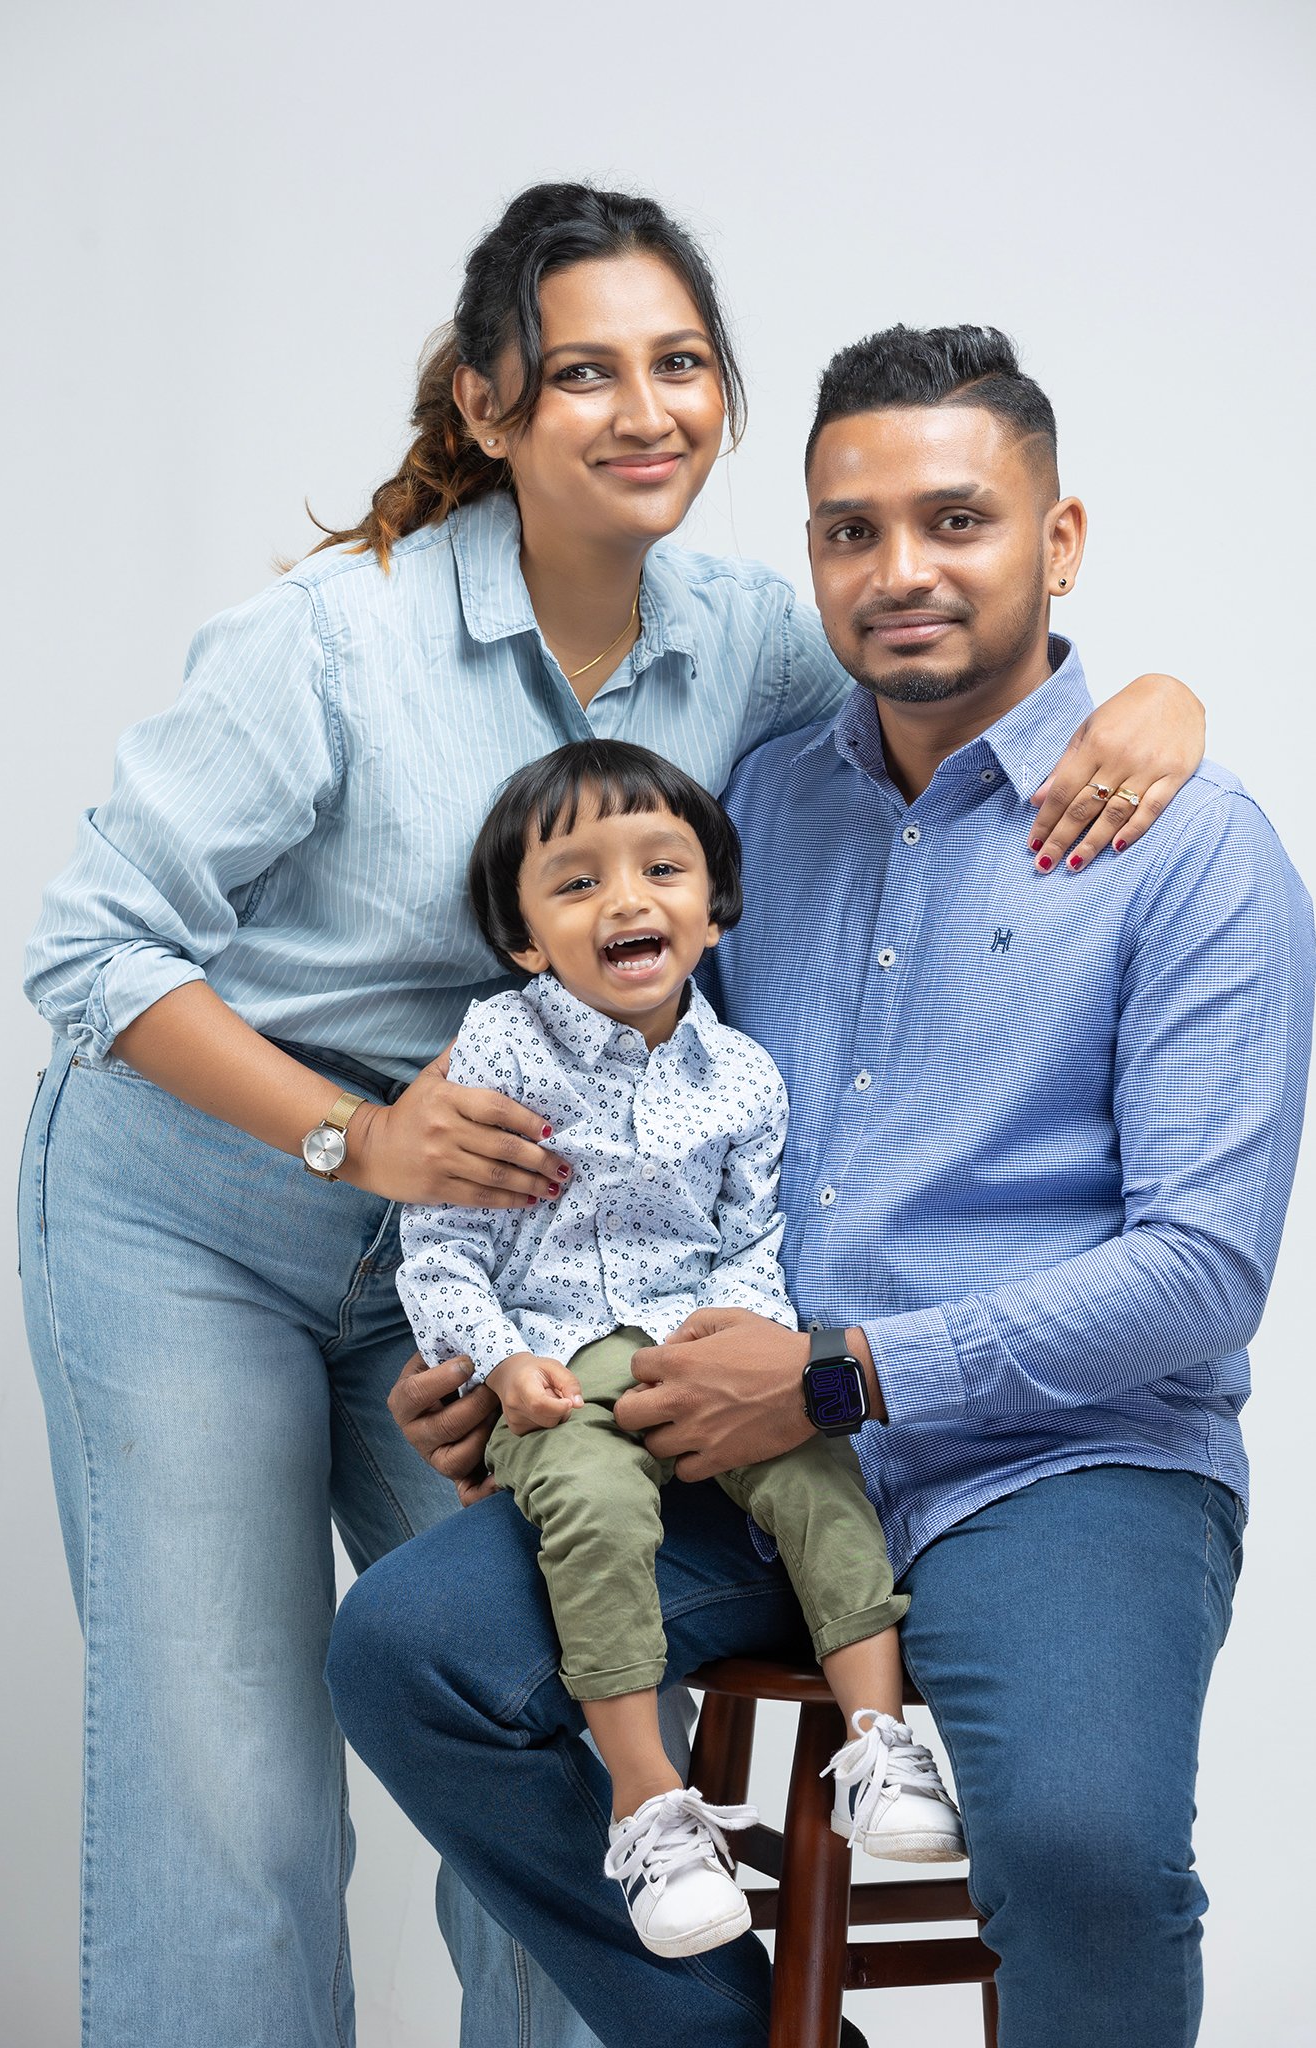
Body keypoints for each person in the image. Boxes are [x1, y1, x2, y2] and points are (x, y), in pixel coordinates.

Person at [19, 169, 1204, 2048]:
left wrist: (1157, 700)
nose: (645, 411)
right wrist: (358, 1142)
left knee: (576, 1716)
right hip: (213, 1208)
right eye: (583, 372)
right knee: (231, 1776)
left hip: (525, 1254)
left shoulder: (758, 638)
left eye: (681, 364)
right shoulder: (330, 640)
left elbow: (952, 679)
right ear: (487, 404)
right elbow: (90, 949)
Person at [325, 324, 1316, 2048]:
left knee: (1082, 1849)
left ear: (1061, 540)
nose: (899, 569)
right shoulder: (755, 815)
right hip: (733, 1434)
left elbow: (1201, 1273)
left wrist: (843, 1376)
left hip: (1061, 1460)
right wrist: (508, 1357)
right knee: (413, 1655)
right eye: (851, 531)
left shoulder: (1195, 848)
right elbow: (640, 1124)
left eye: (957, 521)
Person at [397, 736, 963, 1959]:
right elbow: (436, 1247)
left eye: (662, 867)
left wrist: (743, 1344)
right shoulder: (496, 1047)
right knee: (595, 1514)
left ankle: (882, 1747)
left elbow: (750, 1238)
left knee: (820, 1470)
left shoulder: (745, 1075)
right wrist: (498, 1362)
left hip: (702, 1350)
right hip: (551, 1362)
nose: (627, 899)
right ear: (525, 939)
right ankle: (650, 1803)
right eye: (578, 881)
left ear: (714, 908)